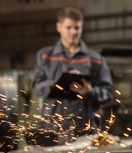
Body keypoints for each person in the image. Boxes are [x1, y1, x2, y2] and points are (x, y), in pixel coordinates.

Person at [32, 6, 114, 144]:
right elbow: (37, 87)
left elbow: (108, 92)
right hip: (52, 130)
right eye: (68, 27)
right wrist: (57, 83)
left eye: (77, 28)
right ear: (59, 27)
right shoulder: (45, 56)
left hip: (86, 130)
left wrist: (91, 91)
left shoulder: (95, 59)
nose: (73, 32)